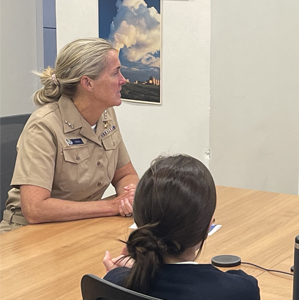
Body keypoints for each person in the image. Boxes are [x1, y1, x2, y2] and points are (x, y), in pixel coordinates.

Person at [1, 38, 138, 233]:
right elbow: (35, 209)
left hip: (80, 225)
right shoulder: (44, 125)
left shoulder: (106, 115)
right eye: (115, 72)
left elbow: (126, 174)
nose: (123, 80)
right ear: (87, 83)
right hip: (27, 233)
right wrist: (111, 206)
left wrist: (129, 195)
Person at [102, 154, 260, 299]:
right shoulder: (240, 291)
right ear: (207, 227)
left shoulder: (114, 284)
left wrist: (121, 274)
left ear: (139, 221)